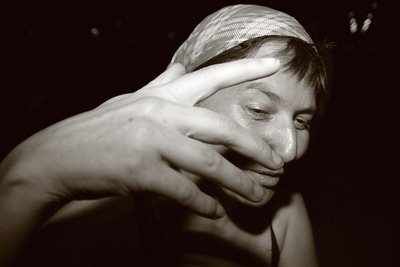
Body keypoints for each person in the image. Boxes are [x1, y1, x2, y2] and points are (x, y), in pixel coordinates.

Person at [0, 4, 330, 267]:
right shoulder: (103, 211)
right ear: (190, 96)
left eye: (302, 120)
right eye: (258, 110)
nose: (290, 150)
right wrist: (27, 177)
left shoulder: (286, 212)